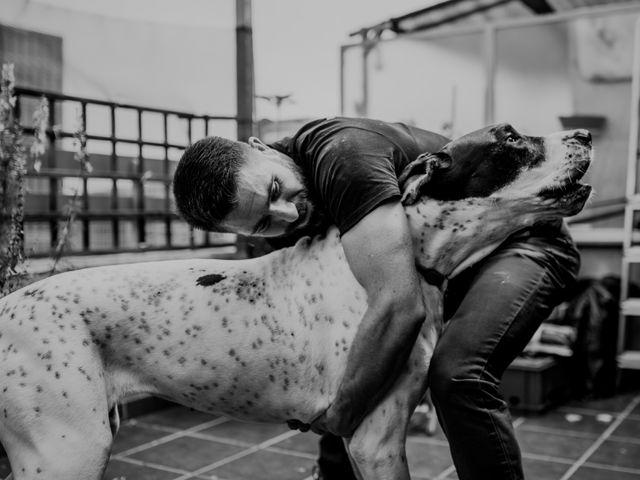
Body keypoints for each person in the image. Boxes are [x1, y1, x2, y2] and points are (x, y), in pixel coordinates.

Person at [172, 117, 580, 480]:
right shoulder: (279, 227)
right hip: (442, 270)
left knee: (458, 376)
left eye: (277, 189)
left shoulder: (344, 157)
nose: (287, 215)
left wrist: (338, 413)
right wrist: (316, 399)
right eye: (264, 223)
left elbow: (398, 307)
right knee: (351, 366)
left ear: (261, 148)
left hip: (523, 239)